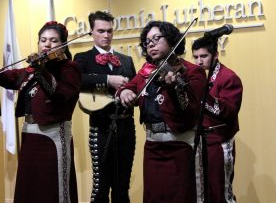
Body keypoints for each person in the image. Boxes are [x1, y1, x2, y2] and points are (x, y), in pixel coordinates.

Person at [0, 21, 81, 203]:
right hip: (29, 137)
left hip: (53, 138)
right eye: (43, 40)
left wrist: (40, 69)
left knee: (53, 191)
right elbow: (12, 77)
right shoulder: (32, 69)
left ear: (63, 45)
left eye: (53, 41)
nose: (47, 45)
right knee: (30, 191)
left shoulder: (69, 68)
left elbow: (58, 94)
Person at [116, 21, 207, 203]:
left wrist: (176, 88)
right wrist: (124, 91)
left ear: (172, 41)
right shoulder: (145, 72)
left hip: (180, 147)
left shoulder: (192, 72)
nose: (151, 44)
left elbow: (191, 110)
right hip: (153, 147)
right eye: (147, 41)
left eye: (157, 38)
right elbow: (127, 87)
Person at [73, 11, 136, 203]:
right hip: (100, 127)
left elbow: (135, 87)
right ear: (91, 31)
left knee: (122, 187)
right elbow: (77, 80)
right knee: (100, 187)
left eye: (109, 31)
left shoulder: (126, 60)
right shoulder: (82, 58)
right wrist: (109, 79)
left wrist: (130, 92)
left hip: (126, 127)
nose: (106, 35)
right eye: (101, 31)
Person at [192, 36, 243, 203]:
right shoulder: (198, 76)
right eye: (196, 57)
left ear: (215, 55)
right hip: (199, 141)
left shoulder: (229, 77)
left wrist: (201, 96)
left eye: (203, 56)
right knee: (201, 192)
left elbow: (229, 111)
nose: (199, 61)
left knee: (221, 190)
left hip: (220, 140)